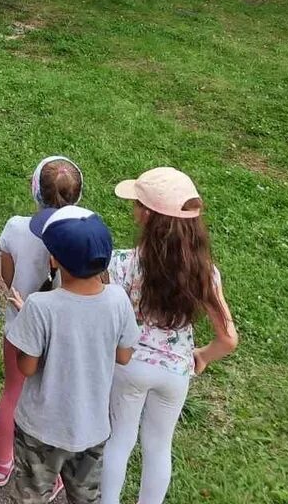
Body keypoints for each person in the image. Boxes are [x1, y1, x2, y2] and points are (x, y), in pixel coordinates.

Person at [101, 168, 239, 504]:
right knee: (159, 446)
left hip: (129, 364)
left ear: (148, 215)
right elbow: (228, 338)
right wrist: (203, 356)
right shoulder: (205, 274)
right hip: (175, 372)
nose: (134, 209)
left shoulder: (121, 263)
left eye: (137, 203)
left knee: (118, 440)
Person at [5, 206, 141, 504]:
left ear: (53, 259)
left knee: (31, 497)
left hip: (40, 429)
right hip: (91, 428)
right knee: (85, 497)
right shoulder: (118, 299)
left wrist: (27, 319)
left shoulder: (40, 306)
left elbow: (26, 367)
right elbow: (124, 355)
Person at [0, 155, 85, 488]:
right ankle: (53, 472)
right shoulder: (83, 236)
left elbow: (6, 275)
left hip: (21, 326)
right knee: (56, 399)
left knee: (12, 393)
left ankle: (3, 462)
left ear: (35, 192)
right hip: (64, 334)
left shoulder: (16, 227)